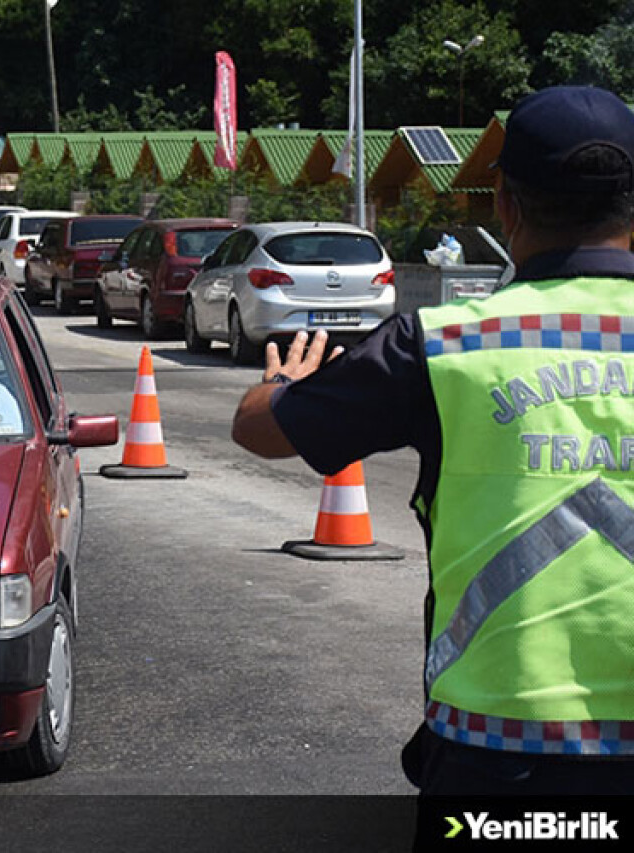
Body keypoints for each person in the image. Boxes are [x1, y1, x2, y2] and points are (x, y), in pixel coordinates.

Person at [232, 85, 634, 796]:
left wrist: (283, 385)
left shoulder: (446, 344)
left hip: (499, 745)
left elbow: (261, 429)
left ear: (505, 203)